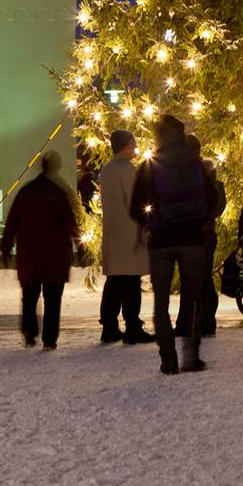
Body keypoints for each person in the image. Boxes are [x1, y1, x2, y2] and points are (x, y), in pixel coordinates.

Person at [130, 115, 212, 374]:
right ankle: (192, 355)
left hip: (162, 242)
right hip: (192, 240)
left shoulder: (150, 164)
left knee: (161, 302)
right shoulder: (195, 163)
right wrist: (202, 222)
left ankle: (168, 360)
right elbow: (212, 198)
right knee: (193, 298)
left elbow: (135, 206)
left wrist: (150, 222)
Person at [0, 148, 78, 349]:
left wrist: (6, 246)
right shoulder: (59, 192)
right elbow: (70, 221)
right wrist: (80, 244)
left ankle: (29, 330)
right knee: (53, 298)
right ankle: (49, 339)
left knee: (30, 295)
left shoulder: (27, 191)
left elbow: (13, 220)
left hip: (30, 254)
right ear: (57, 166)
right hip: (55, 253)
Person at [97, 128, 152, 344]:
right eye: (133, 141)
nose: (136, 145)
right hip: (129, 231)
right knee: (130, 280)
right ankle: (133, 327)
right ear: (125, 145)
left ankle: (109, 325)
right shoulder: (127, 170)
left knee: (115, 281)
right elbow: (135, 200)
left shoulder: (107, 170)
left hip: (113, 231)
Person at [187, 133, 228, 338]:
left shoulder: (193, 173)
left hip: (197, 233)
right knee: (202, 279)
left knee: (200, 279)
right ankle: (203, 322)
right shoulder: (205, 174)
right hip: (204, 232)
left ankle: (203, 322)